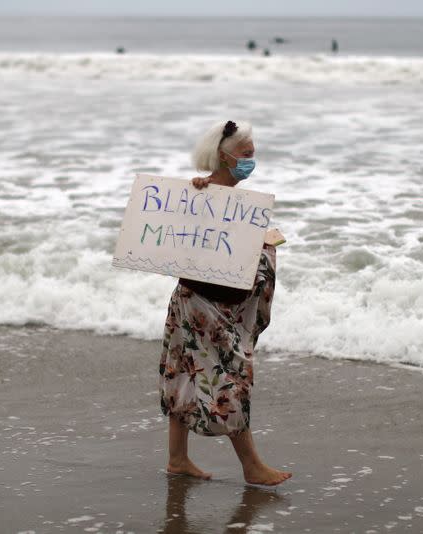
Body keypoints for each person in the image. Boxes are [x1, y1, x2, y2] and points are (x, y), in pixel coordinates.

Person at [159, 119, 292, 486]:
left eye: (254, 154)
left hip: (216, 302)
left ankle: (177, 459)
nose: (252, 160)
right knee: (227, 381)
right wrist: (199, 189)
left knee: (182, 374)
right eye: (246, 154)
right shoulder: (203, 194)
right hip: (200, 303)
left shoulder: (239, 201)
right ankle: (251, 466)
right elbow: (183, 232)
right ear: (224, 155)